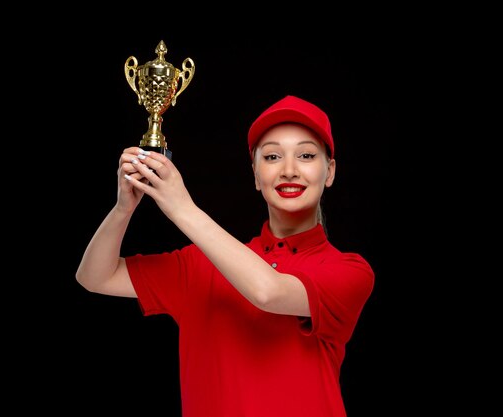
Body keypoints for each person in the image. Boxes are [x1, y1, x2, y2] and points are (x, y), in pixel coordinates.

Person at [76, 95, 375, 417]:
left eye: (306, 155)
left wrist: (182, 208)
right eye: (272, 156)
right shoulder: (198, 263)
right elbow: (95, 277)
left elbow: (269, 292)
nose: (289, 170)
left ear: (329, 172)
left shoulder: (349, 270)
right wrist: (123, 209)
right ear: (256, 175)